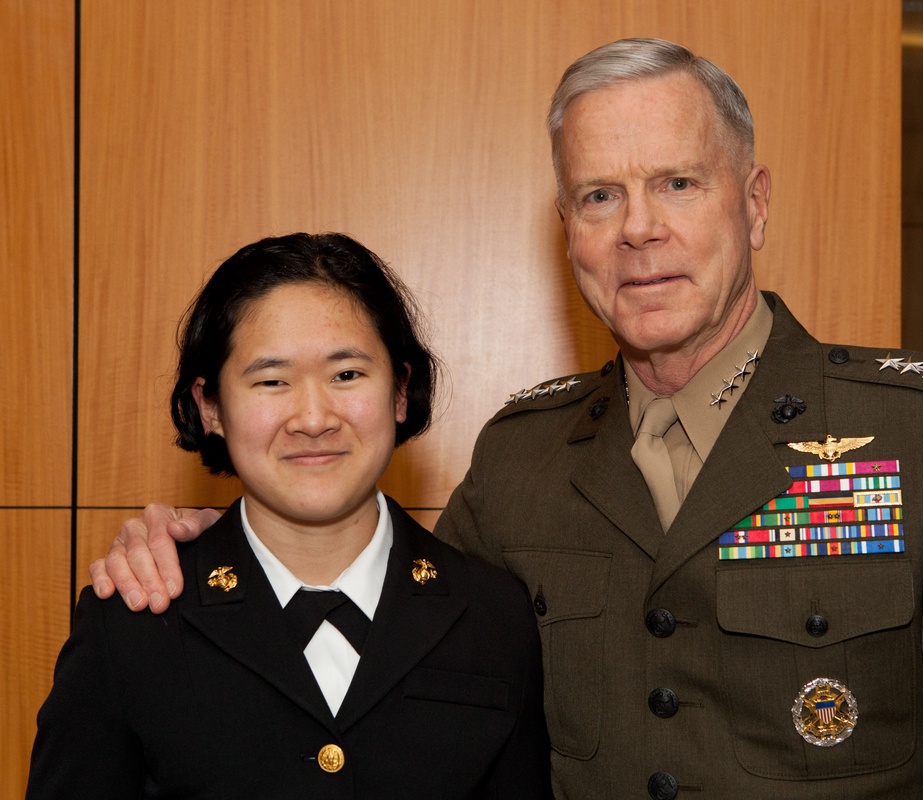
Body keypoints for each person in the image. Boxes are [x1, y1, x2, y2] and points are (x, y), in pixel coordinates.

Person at [89, 40, 923, 800]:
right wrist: (229, 544)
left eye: (679, 182)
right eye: (600, 196)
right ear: (567, 226)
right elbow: (401, 612)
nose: (638, 230)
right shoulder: (521, 462)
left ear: (754, 203)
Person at [29, 232, 552, 799]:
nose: (312, 417)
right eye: (272, 381)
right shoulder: (132, 621)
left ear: (400, 391)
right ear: (210, 408)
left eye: (347, 375)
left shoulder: (495, 615)